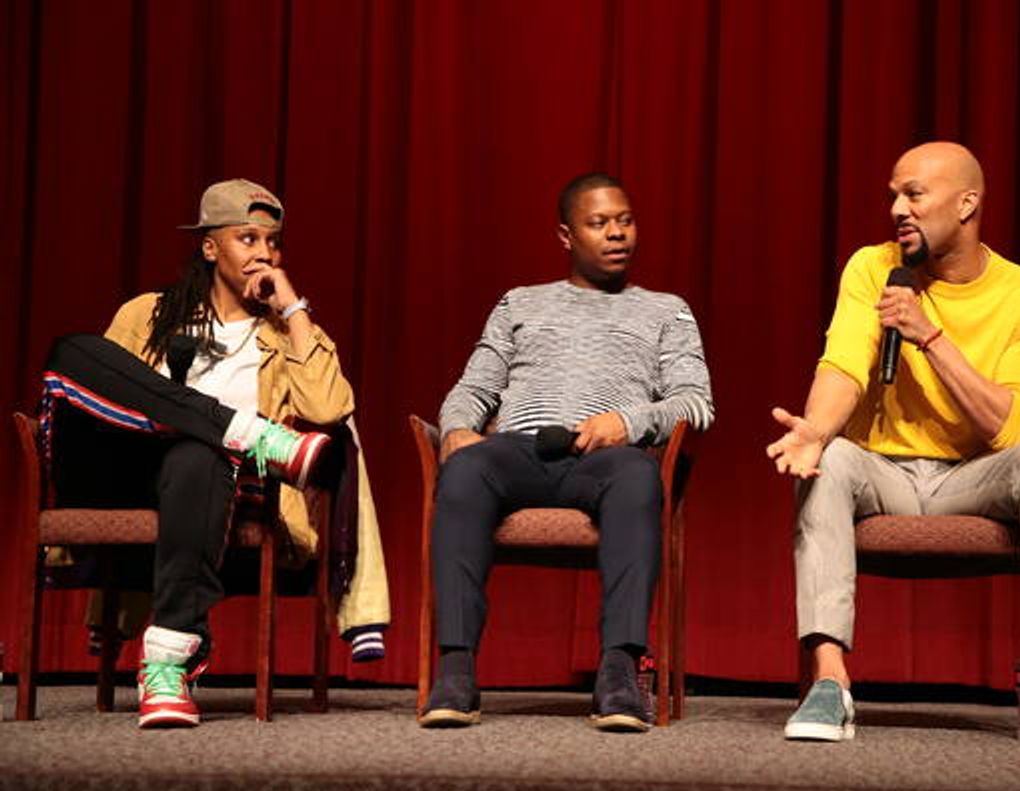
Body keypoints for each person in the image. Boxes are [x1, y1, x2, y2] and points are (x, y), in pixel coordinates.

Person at [766, 142, 1020, 754]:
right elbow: (843, 365)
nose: (898, 209)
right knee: (829, 461)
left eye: (914, 194)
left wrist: (929, 335)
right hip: (884, 471)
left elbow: (1012, 429)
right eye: (893, 196)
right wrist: (816, 432)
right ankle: (829, 682)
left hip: (974, 476)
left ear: (967, 203)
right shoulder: (872, 267)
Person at [40, 179, 389, 728]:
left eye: (273, 242)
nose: (264, 254)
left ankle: (167, 667)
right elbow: (100, 393)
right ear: (209, 248)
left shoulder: (285, 333)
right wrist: (232, 427)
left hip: (214, 481)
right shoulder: (148, 314)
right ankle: (246, 432)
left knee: (197, 454)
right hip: (124, 466)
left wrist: (294, 308)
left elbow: (329, 410)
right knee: (70, 351)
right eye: (247, 239)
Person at [420, 172, 715, 732]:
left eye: (625, 221)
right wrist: (457, 427)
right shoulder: (519, 303)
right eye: (599, 223)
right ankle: (456, 668)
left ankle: (619, 672)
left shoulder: (665, 310)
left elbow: (695, 404)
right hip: (520, 450)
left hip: (605, 457)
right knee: (461, 470)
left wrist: (626, 422)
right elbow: (474, 387)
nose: (616, 234)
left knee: (638, 479)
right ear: (566, 235)